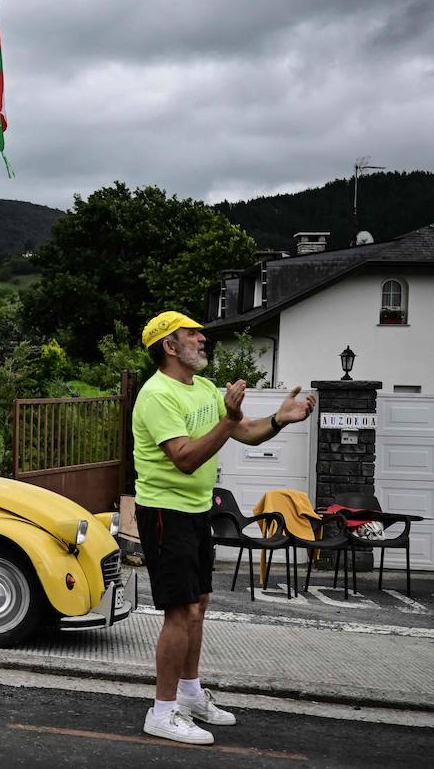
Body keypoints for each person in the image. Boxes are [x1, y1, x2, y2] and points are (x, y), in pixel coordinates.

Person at [134, 311, 314, 745]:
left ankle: (191, 695)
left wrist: (279, 419)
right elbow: (185, 457)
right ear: (170, 347)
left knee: (199, 605)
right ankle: (161, 711)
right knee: (180, 611)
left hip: (196, 511)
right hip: (164, 512)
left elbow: (245, 432)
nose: (203, 340)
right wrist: (228, 420)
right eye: (192, 335)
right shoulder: (157, 395)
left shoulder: (201, 389)